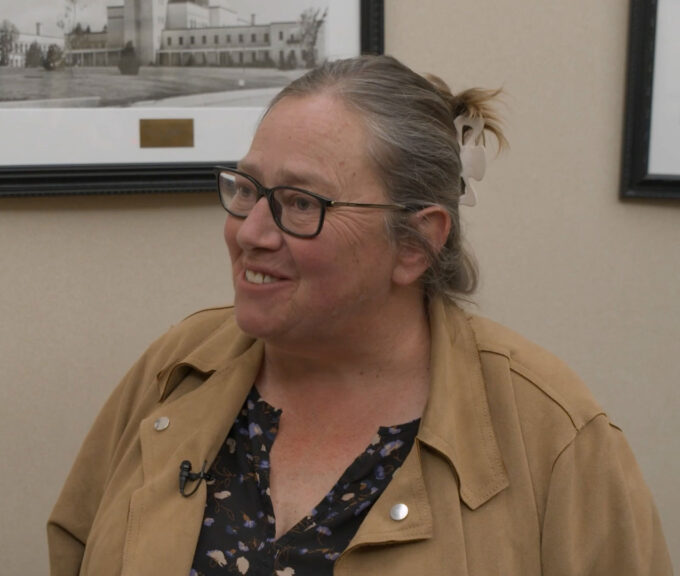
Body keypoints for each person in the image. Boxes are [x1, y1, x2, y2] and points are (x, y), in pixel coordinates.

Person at [48, 55, 672, 575]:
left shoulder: (553, 435)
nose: (250, 233)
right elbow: (76, 545)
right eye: (245, 188)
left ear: (414, 243)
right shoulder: (177, 369)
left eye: (299, 203)